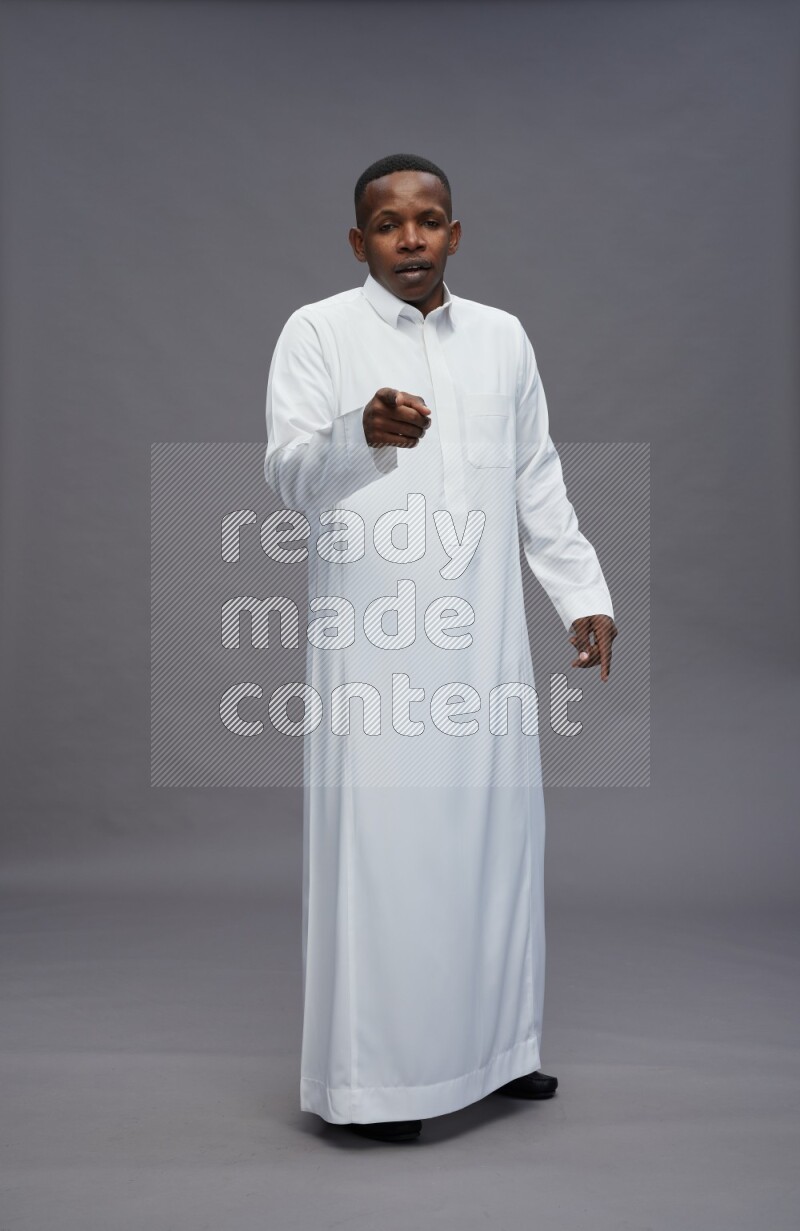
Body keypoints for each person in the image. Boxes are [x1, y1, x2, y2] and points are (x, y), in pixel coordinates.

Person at [263, 154, 617, 1143]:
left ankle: (498, 1052)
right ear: (357, 241)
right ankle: (379, 1086)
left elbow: (534, 478)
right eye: (387, 223)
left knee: (497, 848)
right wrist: (360, 433)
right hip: (376, 648)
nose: (409, 237)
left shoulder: (502, 339)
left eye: (428, 220)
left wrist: (580, 593)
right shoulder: (317, 332)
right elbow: (288, 474)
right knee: (390, 859)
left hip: (485, 641)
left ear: (454, 233)